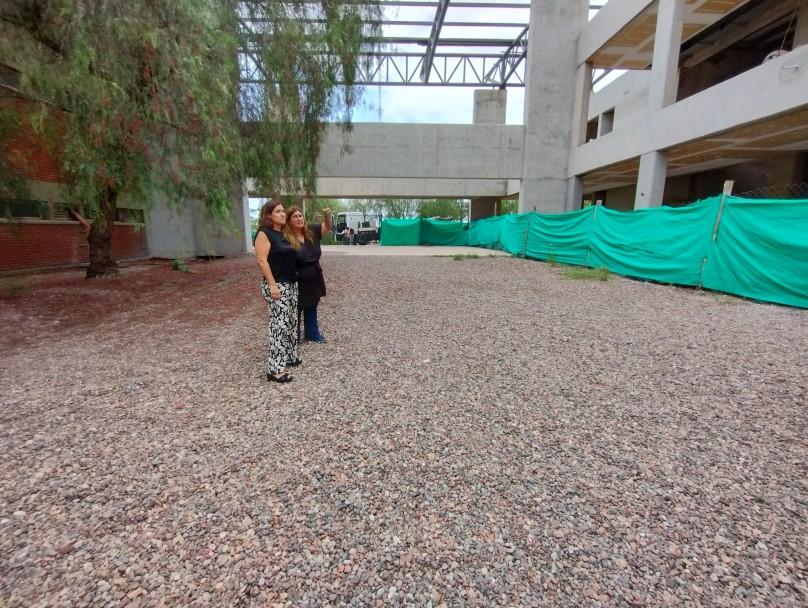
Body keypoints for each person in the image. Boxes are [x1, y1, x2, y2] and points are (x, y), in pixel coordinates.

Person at [254, 200, 299, 383]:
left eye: (283, 211)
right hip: (277, 285)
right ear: (268, 215)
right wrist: (272, 284)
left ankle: (288, 357)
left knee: (290, 323)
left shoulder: (282, 234)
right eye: (278, 211)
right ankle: (274, 370)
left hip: (290, 284)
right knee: (278, 327)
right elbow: (262, 261)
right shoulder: (264, 234)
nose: (282, 214)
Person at [283, 205, 331, 343]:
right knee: (296, 307)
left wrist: (327, 216)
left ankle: (312, 333)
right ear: (289, 220)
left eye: (300, 215)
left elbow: (327, 226)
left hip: (314, 275)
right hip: (296, 277)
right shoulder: (285, 237)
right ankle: (295, 335)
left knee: (312, 304)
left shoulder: (312, 231)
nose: (299, 219)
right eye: (295, 216)